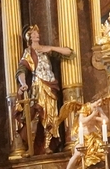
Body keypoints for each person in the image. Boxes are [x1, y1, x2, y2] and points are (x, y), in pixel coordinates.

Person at [15, 24, 73, 155]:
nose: (37, 35)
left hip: (50, 85)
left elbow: (69, 52)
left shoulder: (46, 49)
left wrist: (51, 48)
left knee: (50, 116)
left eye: (37, 33)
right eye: (34, 33)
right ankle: (31, 146)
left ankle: (47, 145)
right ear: (29, 37)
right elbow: (21, 70)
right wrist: (23, 83)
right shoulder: (28, 52)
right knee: (36, 115)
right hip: (38, 85)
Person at [59, 99, 108, 169]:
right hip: (84, 137)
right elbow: (82, 121)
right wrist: (93, 115)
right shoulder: (84, 108)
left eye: (100, 103)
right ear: (93, 101)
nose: (99, 104)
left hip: (94, 136)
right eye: (98, 102)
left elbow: (106, 120)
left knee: (103, 150)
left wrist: (96, 117)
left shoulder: (98, 109)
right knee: (77, 153)